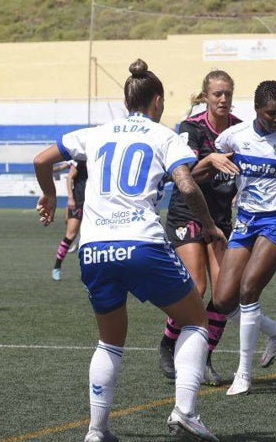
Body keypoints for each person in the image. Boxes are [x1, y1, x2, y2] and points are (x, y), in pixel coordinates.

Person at [33, 59, 223, 442]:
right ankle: (185, 412)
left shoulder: (96, 133)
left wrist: (49, 195)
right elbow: (186, 186)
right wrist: (208, 225)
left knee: (109, 341)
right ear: (156, 101)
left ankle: (96, 430)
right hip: (141, 243)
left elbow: (41, 159)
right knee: (196, 321)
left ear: (125, 100)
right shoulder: (164, 135)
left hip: (94, 249)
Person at [210, 80, 276, 396]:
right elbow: (213, 165)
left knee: (248, 289)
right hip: (245, 221)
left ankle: (242, 373)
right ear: (257, 109)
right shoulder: (234, 137)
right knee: (222, 298)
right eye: (271, 114)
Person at [158, 70, 242, 387]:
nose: (222, 99)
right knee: (197, 286)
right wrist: (211, 161)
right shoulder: (190, 129)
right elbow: (184, 174)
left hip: (219, 217)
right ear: (205, 96)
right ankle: (168, 342)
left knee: (225, 296)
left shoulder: (239, 129)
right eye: (217, 94)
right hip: (187, 211)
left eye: (227, 94)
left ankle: (203, 358)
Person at [51, 159, 87, 280]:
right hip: (78, 202)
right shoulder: (80, 160)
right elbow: (69, 177)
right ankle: (57, 267)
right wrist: (71, 198)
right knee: (70, 234)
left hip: (94, 203)